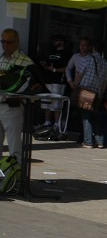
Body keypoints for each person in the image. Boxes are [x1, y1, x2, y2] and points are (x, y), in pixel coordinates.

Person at [66, 37, 107, 148]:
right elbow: (106, 80)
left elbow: (79, 73)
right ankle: (100, 141)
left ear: (93, 48)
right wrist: (101, 93)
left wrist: (75, 86)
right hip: (96, 93)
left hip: (85, 90)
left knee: (86, 116)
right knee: (95, 117)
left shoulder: (88, 58)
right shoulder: (105, 62)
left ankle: (88, 141)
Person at [0, 28, 34, 162]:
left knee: (14, 144)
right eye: (3, 41)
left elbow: (30, 86)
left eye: (9, 42)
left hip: (11, 107)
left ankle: (15, 176)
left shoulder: (25, 62)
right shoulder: (1, 59)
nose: (5, 45)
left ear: (17, 43)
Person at [38, 34, 71, 132]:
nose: (54, 42)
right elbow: (47, 62)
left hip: (58, 81)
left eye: (57, 40)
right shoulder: (51, 51)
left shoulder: (66, 53)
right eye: (54, 40)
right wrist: (45, 66)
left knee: (57, 103)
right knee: (46, 102)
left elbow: (68, 68)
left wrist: (55, 70)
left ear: (62, 41)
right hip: (48, 79)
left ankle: (57, 123)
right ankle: (47, 122)